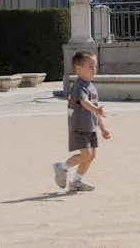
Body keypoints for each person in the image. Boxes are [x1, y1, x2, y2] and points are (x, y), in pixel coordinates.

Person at [53, 51, 110, 192]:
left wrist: (102, 128)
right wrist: (97, 110)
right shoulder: (79, 85)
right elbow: (84, 102)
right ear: (78, 69)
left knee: (91, 156)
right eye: (90, 66)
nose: (94, 69)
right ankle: (62, 167)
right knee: (86, 155)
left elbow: (94, 111)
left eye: (94, 66)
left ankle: (76, 181)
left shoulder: (92, 87)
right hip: (79, 127)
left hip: (90, 127)